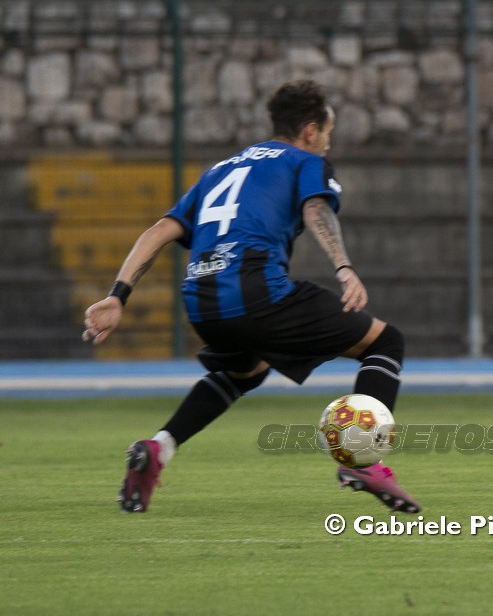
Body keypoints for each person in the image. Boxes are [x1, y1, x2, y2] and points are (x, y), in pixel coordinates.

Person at [82, 79, 420, 514]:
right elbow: (316, 208)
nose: (327, 142)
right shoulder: (306, 161)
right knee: (385, 342)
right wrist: (344, 266)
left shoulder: (219, 170)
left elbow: (161, 230)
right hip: (255, 289)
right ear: (311, 130)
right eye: (328, 133)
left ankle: (158, 448)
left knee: (246, 370)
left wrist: (117, 296)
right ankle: (364, 461)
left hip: (200, 300)